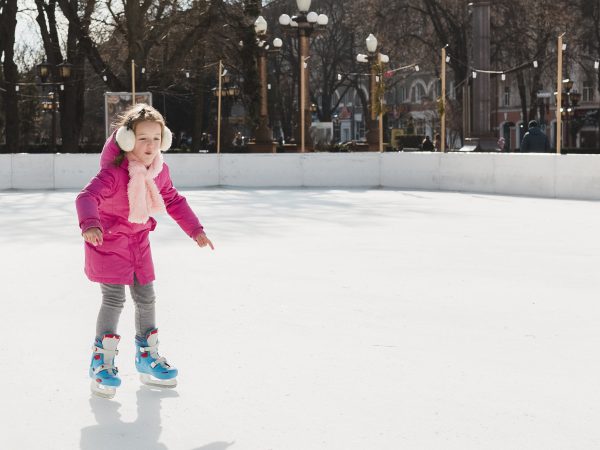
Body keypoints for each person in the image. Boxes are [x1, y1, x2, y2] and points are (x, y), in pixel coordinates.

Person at [76, 104, 214, 399]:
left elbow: (174, 200)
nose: (150, 145)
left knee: (146, 297)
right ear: (126, 140)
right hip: (108, 242)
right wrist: (90, 224)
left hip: (138, 243)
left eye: (156, 138)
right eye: (142, 138)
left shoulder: (158, 172)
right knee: (113, 299)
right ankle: (101, 361)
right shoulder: (113, 174)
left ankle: (147, 356)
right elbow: (86, 196)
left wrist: (195, 229)